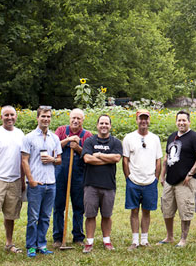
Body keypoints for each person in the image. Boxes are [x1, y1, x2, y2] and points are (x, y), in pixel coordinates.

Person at [0, 105, 25, 262]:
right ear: (1, 117)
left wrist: (22, 179)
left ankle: (9, 243)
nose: (9, 118)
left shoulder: (20, 134)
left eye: (12, 115)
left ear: (16, 116)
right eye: (6, 115)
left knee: (11, 214)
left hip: (14, 180)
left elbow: (23, 159)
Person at [159, 111, 196, 248]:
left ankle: (183, 239)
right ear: (176, 122)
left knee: (185, 210)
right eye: (179, 120)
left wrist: (191, 173)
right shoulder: (172, 137)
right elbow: (167, 158)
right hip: (170, 180)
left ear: (189, 122)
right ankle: (169, 237)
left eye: (184, 120)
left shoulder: (194, 137)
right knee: (167, 209)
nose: (181, 123)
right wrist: (162, 176)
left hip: (185, 182)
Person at [22, 106, 62, 257]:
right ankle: (31, 246)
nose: (46, 119)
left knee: (45, 216)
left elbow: (59, 160)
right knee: (33, 217)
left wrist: (52, 159)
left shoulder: (55, 138)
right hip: (36, 184)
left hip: (51, 183)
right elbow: (24, 161)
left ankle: (42, 244)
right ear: (37, 118)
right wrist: (31, 180)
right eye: (43, 116)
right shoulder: (29, 137)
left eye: (48, 117)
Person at [81, 115, 122, 253]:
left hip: (108, 185)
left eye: (106, 123)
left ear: (110, 126)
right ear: (97, 125)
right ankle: (89, 242)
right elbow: (87, 158)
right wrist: (107, 159)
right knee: (90, 215)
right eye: (101, 123)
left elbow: (117, 157)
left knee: (107, 215)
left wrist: (97, 155)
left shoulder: (115, 142)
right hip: (91, 184)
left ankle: (107, 240)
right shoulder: (89, 141)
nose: (104, 126)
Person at [122, 109, 163, 249]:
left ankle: (144, 240)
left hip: (150, 181)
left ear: (149, 120)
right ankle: (135, 240)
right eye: (141, 118)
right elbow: (125, 159)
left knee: (146, 210)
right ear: (137, 120)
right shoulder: (128, 138)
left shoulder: (155, 138)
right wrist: (128, 177)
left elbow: (159, 160)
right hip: (134, 181)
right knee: (134, 210)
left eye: (146, 118)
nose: (143, 121)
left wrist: (156, 178)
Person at [52, 108, 92, 248]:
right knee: (58, 206)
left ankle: (78, 237)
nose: (75, 121)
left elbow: (89, 155)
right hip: (60, 173)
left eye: (78, 119)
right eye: (73, 118)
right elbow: (53, 147)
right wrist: (68, 141)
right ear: (69, 118)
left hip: (79, 175)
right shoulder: (61, 131)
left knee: (78, 206)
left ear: (83, 120)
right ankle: (58, 237)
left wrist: (78, 147)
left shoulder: (87, 135)